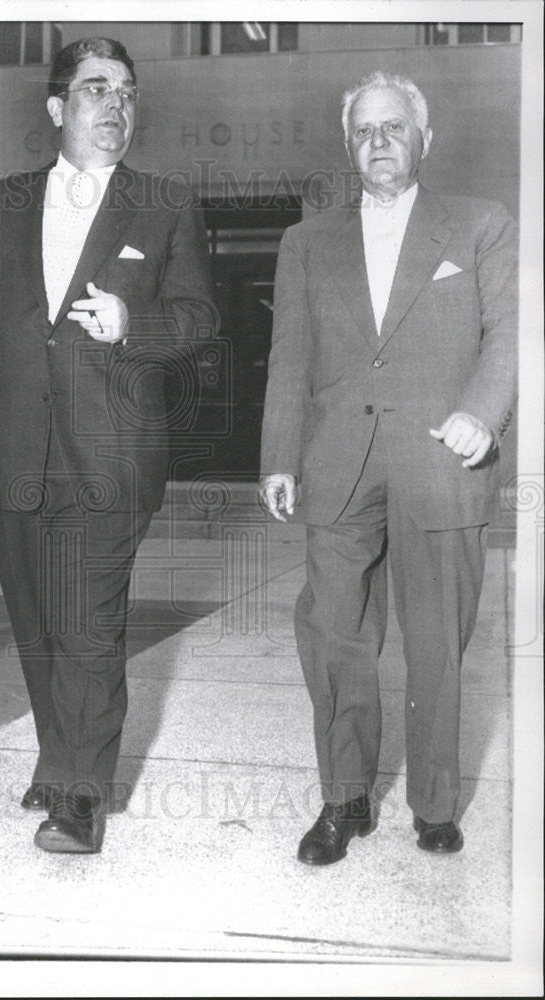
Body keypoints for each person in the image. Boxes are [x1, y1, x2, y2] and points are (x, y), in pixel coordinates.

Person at [0, 37, 218, 853]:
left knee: (87, 622)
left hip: (113, 454)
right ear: (57, 109)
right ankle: (60, 760)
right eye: (95, 89)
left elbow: (199, 319)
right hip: (16, 451)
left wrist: (135, 324)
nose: (114, 104)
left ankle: (81, 796)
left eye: (126, 90)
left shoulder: (162, 201)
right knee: (38, 620)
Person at [260, 71, 517, 865]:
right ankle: (344, 801)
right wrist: (277, 454)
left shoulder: (478, 226)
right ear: (349, 144)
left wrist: (481, 412)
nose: (379, 142)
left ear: (423, 139)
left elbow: (510, 333)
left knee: (437, 645)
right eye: (365, 130)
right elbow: (287, 358)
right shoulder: (306, 240)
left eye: (394, 128)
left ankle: (436, 804)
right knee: (334, 639)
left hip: (440, 461)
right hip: (335, 465)